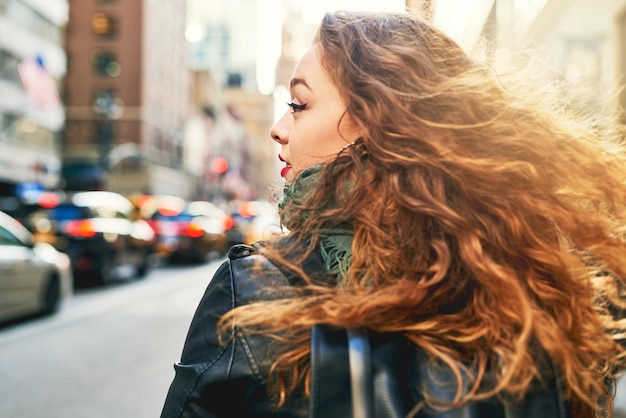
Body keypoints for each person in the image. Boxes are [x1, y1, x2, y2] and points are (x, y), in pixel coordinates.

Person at [160, 10, 626, 418]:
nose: (278, 130)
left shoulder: (258, 292)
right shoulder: (548, 287)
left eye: (299, 105)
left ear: (380, 125)